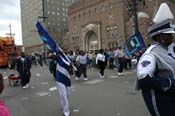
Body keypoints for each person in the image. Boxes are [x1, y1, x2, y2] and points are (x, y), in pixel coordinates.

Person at [136, 3, 175, 116]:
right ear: (159, 36)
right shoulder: (150, 54)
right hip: (161, 101)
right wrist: (168, 84)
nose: (172, 37)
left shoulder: (167, 50)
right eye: (168, 35)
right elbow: (144, 79)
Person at [48, 51, 71, 116]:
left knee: (67, 94)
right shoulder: (58, 57)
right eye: (63, 51)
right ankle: (66, 110)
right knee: (63, 94)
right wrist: (55, 52)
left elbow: (73, 66)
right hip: (59, 78)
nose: (64, 52)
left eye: (65, 51)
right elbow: (50, 57)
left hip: (67, 78)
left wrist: (74, 64)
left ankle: (63, 103)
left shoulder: (68, 58)